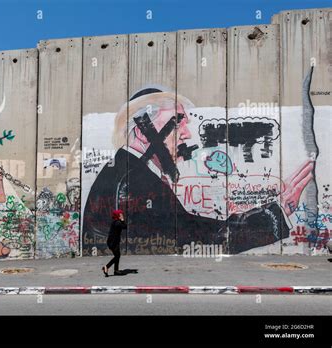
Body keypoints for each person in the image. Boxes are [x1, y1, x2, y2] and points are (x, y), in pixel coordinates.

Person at [83, 86, 314, 255]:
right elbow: (204, 237)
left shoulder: (123, 170)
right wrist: (278, 212)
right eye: (177, 123)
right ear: (143, 131)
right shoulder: (135, 182)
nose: (187, 134)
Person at [102, 209, 127, 276]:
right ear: (117, 215)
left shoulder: (116, 222)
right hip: (113, 242)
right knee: (117, 256)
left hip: (114, 241)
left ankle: (116, 270)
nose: (122, 215)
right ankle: (106, 267)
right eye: (120, 214)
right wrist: (122, 220)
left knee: (117, 255)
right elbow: (124, 226)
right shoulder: (117, 223)